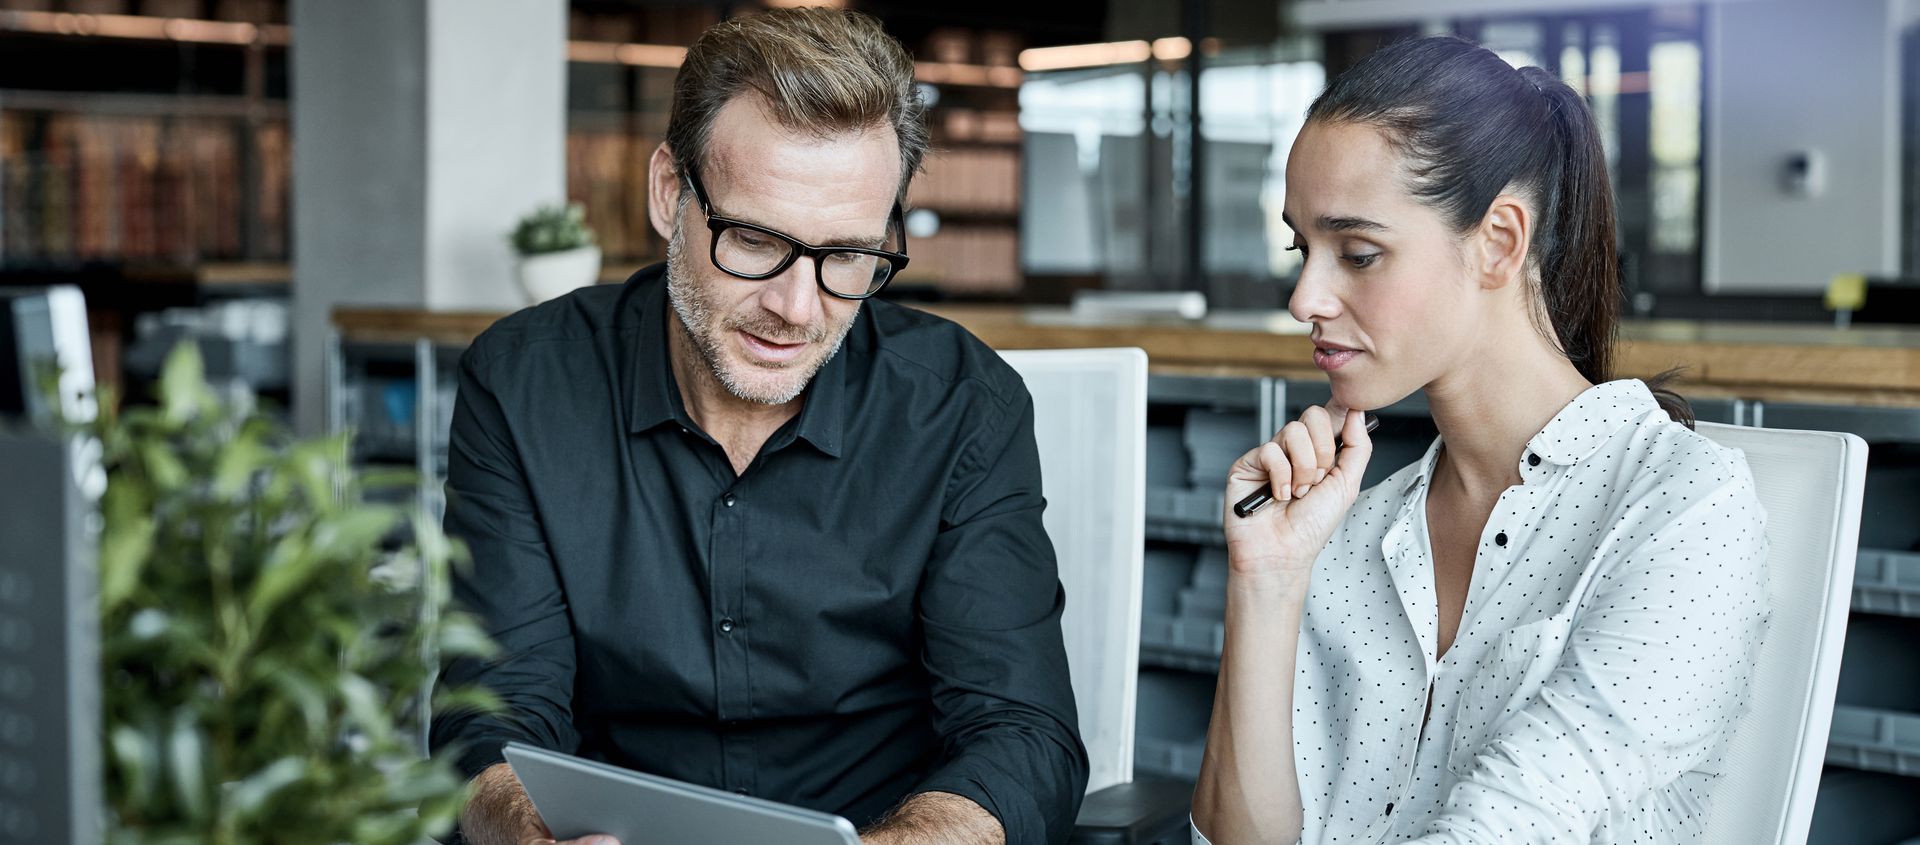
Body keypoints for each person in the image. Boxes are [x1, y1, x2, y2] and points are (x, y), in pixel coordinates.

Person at [429, 9, 1088, 845]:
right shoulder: (524, 384)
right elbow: (489, 716)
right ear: (671, 193)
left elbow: (1022, 735)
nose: (797, 308)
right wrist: (529, 835)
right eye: (755, 239)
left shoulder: (962, 406)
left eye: (849, 254)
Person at [1189, 36, 1768, 845]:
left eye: (1358, 253)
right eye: (1302, 249)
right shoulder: (1349, 527)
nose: (1304, 298)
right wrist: (1266, 580)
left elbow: (1512, 826)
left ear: (1498, 241)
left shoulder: (1684, 509)